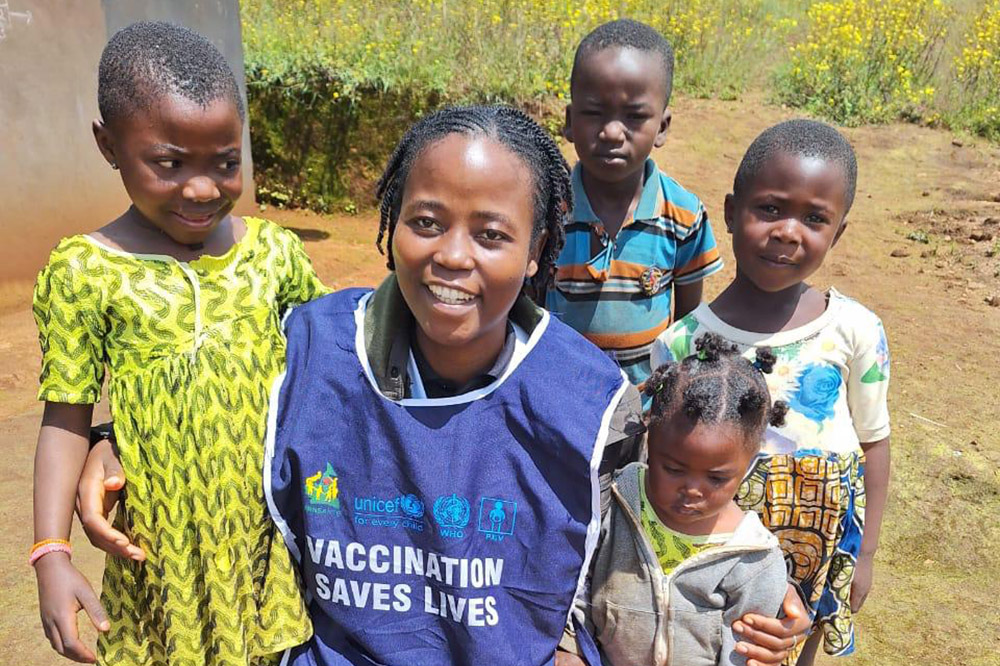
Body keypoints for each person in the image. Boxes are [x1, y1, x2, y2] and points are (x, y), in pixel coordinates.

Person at [81, 106, 810, 665]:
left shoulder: (588, 401)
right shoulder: (308, 349)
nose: (451, 257)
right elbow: (198, 384)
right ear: (392, 221)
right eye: (426, 222)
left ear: (535, 251)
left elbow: (676, 510)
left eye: (492, 235)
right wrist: (110, 437)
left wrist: (771, 591)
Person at [30, 21, 322, 665]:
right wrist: (50, 553)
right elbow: (65, 416)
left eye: (225, 162)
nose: (201, 188)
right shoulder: (85, 272)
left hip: (268, 552)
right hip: (161, 565)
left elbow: (330, 369)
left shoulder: (273, 256)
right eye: (168, 163)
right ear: (109, 145)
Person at [652, 119, 891, 664]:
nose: (788, 231)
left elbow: (874, 443)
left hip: (820, 544)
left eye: (814, 219)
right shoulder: (683, 341)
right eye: (771, 209)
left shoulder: (855, 330)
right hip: (719, 548)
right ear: (732, 213)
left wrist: (868, 553)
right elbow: (664, 458)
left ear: (839, 233)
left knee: (793, 647)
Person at [562, 334, 790, 665]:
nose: (693, 490)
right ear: (649, 438)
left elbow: (743, 653)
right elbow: (576, 585)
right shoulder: (610, 504)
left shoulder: (754, 561)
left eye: (716, 478)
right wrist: (572, 648)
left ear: (751, 462)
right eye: (673, 469)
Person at [546, 19, 723, 406]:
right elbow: (525, 309)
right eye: (594, 112)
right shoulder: (546, 210)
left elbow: (686, 325)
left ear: (662, 127)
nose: (611, 131)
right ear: (569, 122)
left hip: (644, 407)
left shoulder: (683, 216)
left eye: (634, 116)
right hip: (558, 401)